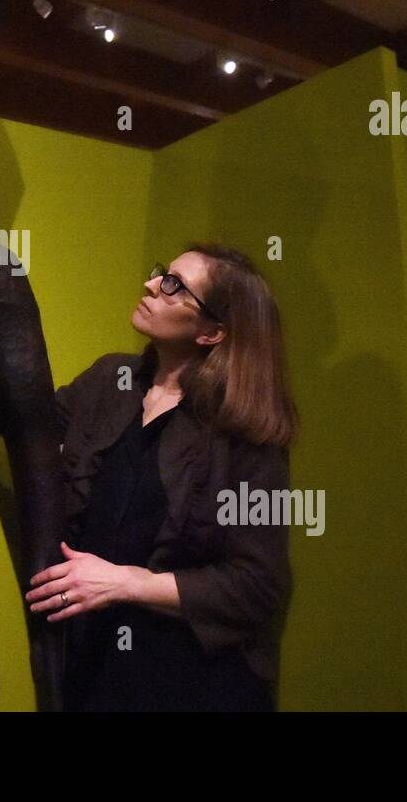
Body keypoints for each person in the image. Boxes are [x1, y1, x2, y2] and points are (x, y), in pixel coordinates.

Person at [24, 242, 298, 711]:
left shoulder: (245, 433)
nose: (152, 285)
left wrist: (123, 582)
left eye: (174, 286)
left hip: (191, 681)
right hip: (94, 667)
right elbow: (28, 427)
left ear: (212, 332)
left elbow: (257, 585)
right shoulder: (112, 380)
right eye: (160, 274)